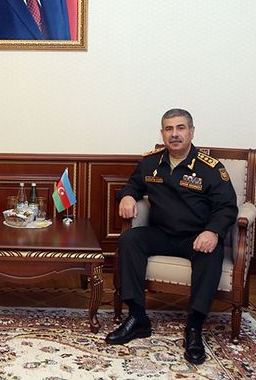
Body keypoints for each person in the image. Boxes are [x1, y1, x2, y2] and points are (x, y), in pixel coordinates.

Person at [106, 108, 237, 365]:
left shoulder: (210, 168)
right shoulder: (150, 163)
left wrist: (212, 231)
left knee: (212, 253)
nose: (174, 134)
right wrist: (128, 196)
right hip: (162, 234)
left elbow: (227, 207)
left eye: (180, 128)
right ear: (162, 133)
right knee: (129, 240)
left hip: (196, 237)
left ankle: (194, 327)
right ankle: (137, 317)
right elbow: (133, 185)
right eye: (169, 129)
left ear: (192, 132)